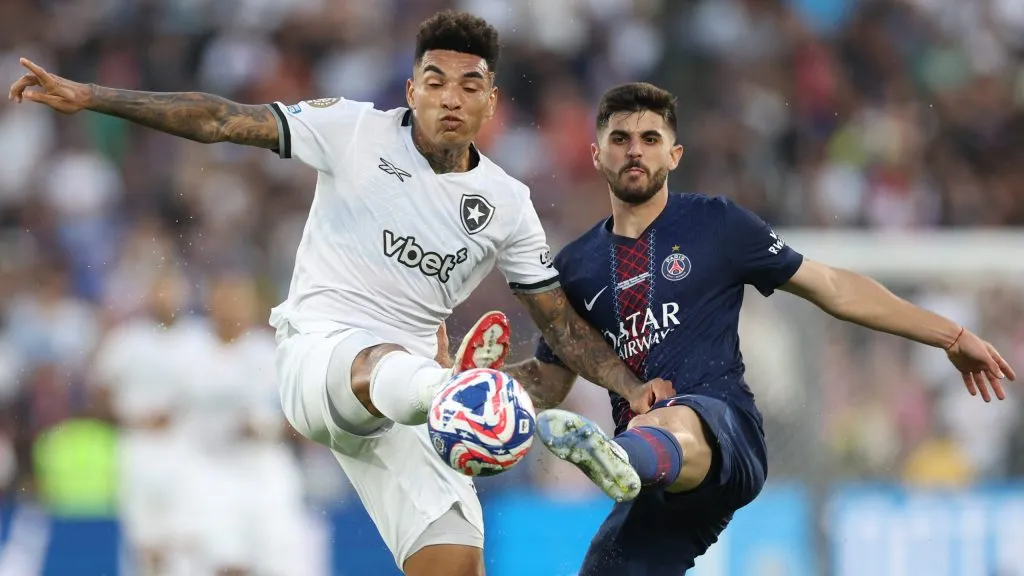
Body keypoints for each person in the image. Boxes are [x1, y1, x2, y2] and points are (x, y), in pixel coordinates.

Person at [9, 11, 669, 576]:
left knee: (456, 558)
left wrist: (630, 388)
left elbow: (559, 324)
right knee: (389, 364)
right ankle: (485, 405)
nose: (450, 98)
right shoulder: (353, 130)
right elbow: (219, 119)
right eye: (435, 82)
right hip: (323, 360)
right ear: (411, 89)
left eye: (469, 85)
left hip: (410, 399)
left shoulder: (506, 205)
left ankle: (486, 404)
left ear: (491, 101)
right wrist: (89, 95)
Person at [493, 82, 1016, 575]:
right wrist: (469, 380)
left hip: (724, 432)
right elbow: (549, 380)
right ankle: (623, 459)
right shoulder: (577, 267)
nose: (635, 151)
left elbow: (832, 287)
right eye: (621, 139)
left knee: (667, 420)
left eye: (651, 139)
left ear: (674, 155)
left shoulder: (717, 224)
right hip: (653, 484)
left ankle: (618, 455)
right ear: (596, 154)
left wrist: (950, 334)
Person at [176, 273, 309, 575]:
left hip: (264, 469)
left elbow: (302, 419)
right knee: (224, 562)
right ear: (210, 303)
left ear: (252, 306)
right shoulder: (189, 351)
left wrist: (267, 427)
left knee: (275, 563)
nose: (231, 308)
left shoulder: (274, 351)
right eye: (223, 300)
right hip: (211, 469)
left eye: (238, 301)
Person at [89, 267, 207, 575]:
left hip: (186, 449)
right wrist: (131, 417)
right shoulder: (127, 339)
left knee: (184, 538)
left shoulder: (199, 339)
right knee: (143, 539)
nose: (165, 298)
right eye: (159, 291)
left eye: (171, 291)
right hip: (138, 448)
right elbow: (99, 392)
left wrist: (181, 412)